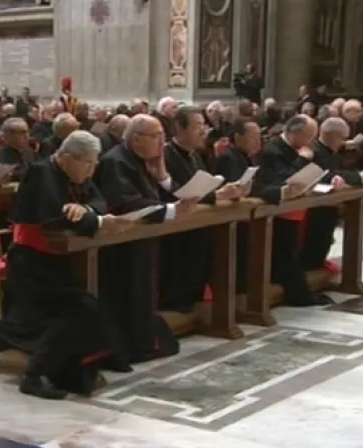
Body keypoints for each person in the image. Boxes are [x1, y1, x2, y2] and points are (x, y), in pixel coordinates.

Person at [0, 131, 132, 400]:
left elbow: (99, 200)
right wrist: (94, 220)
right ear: (67, 158)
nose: (92, 171)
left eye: (95, 164)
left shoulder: (73, 174)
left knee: (32, 325)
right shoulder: (41, 172)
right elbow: (54, 217)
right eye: (88, 164)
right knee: (79, 312)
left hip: (56, 262)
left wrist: (88, 211)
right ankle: (34, 375)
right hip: (31, 264)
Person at [95, 114, 195, 362]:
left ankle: (141, 340)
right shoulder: (116, 162)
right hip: (121, 246)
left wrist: (161, 175)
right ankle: (131, 344)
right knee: (129, 294)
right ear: (137, 139)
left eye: (162, 135)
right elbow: (127, 203)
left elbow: (157, 195)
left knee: (143, 293)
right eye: (156, 136)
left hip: (141, 243)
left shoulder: (140, 160)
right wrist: (171, 210)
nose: (162, 142)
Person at [161, 106, 243, 312]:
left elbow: (203, 184)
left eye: (204, 126)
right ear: (180, 127)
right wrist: (216, 195)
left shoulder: (195, 155)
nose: (203, 131)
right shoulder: (166, 155)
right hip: (176, 232)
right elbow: (177, 192)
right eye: (197, 126)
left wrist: (225, 190)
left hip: (200, 225)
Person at [252, 114, 333, 306]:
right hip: (276, 210)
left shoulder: (299, 148)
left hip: (294, 208)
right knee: (286, 254)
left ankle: (301, 292)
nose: (311, 142)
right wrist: (303, 160)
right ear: (295, 132)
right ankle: (299, 295)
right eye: (309, 136)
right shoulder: (273, 150)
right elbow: (284, 179)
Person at [302, 117, 363, 270]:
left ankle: (317, 266)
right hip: (316, 207)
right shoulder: (315, 151)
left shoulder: (328, 151)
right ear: (332, 135)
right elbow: (327, 175)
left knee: (324, 240)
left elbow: (339, 173)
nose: (343, 143)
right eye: (342, 138)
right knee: (315, 243)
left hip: (327, 206)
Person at [212, 118, 262, 293]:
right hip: (230, 218)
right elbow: (230, 187)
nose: (258, 141)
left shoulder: (247, 157)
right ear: (238, 137)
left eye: (259, 137)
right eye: (253, 137)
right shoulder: (228, 157)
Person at [0, 117, 35, 181]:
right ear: (9, 136)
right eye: (22, 132)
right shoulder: (1, 156)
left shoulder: (30, 152)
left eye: (28, 132)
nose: (27, 136)